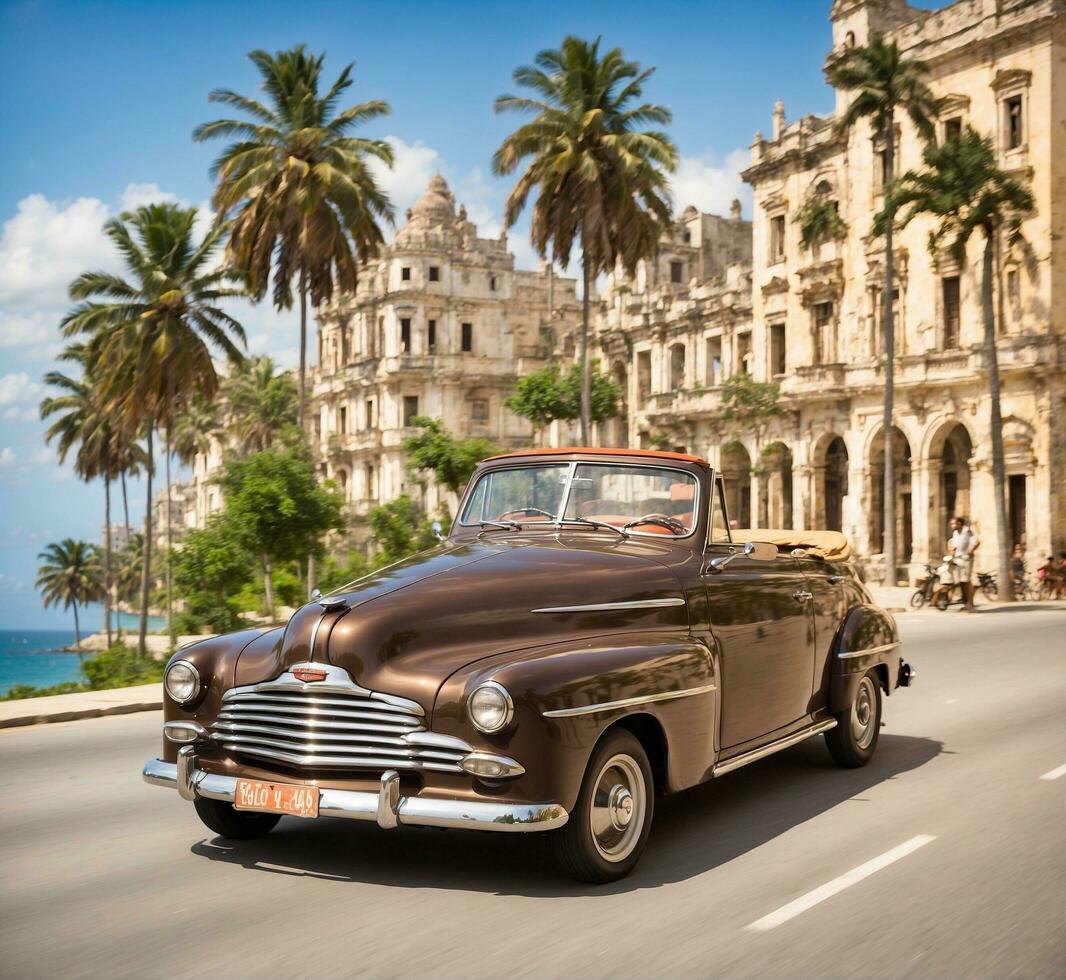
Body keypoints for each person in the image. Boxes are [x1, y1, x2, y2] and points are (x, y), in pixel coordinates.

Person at [948, 516, 979, 611]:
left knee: (967, 581)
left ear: (960, 523)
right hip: (958, 559)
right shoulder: (955, 533)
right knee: (961, 581)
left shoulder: (968, 531)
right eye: (951, 524)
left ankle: (971, 603)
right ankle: (966, 603)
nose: (952, 526)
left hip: (966, 560)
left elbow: (977, 541)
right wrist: (951, 554)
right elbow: (954, 547)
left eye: (954, 523)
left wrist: (971, 551)